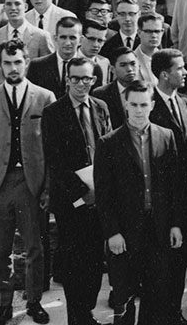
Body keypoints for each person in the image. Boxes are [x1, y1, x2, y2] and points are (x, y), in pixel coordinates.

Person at [0, 40, 57, 325]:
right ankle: (4, 305)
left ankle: (34, 301)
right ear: (0, 65)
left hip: (31, 183)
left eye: (18, 62)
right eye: (7, 63)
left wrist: (47, 186)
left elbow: (52, 147)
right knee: (1, 250)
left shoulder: (45, 97)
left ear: (27, 62)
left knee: (35, 247)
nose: (13, 68)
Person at [97, 81, 185, 325]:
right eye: (133, 104)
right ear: (126, 105)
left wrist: (176, 225)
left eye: (143, 104)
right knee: (124, 298)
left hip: (157, 229)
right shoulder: (108, 143)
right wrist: (112, 232)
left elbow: (174, 186)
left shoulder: (166, 137)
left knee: (156, 296)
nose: (138, 110)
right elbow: (104, 195)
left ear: (152, 105)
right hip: (124, 233)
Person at [43, 55, 112, 325]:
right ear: (67, 79)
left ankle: (87, 311)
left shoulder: (101, 107)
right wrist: (81, 192)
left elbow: (107, 148)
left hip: (99, 196)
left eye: (87, 78)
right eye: (75, 78)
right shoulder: (54, 112)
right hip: (72, 199)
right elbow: (55, 160)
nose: (81, 84)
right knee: (75, 262)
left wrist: (101, 189)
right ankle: (77, 318)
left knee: (95, 260)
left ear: (94, 80)